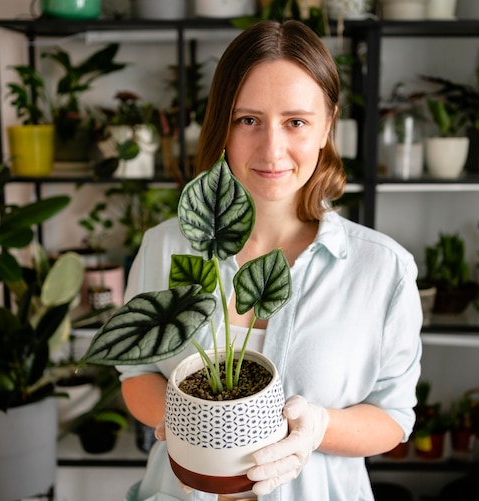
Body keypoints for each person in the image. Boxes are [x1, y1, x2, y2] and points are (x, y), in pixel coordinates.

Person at [118, 19, 422, 501]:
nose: (271, 149)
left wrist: (315, 427)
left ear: (327, 124)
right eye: (248, 120)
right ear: (222, 123)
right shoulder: (165, 246)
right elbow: (136, 376)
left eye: (296, 121)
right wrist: (186, 421)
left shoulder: (382, 269)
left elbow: (394, 418)